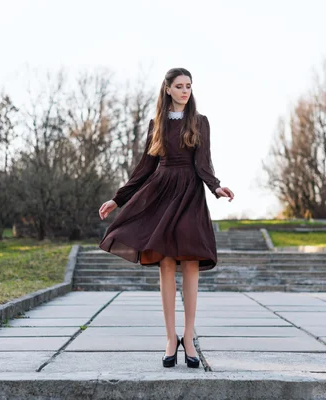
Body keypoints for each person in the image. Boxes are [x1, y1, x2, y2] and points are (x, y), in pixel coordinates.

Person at [98, 67, 234, 368]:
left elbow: (203, 164)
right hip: (161, 193)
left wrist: (216, 187)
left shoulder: (199, 122)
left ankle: (189, 336)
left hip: (190, 195)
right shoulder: (156, 124)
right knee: (167, 263)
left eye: (189, 86)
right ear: (168, 89)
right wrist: (117, 199)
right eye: (180, 86)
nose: (186, 91)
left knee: (190, 261)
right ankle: (170, 337)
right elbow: (144, 169)